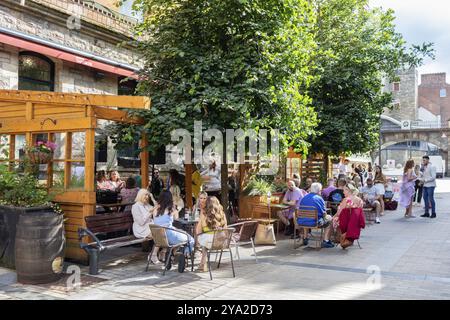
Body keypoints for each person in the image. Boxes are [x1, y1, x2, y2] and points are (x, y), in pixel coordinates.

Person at [153, 190, 195, 255]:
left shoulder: (155, 209)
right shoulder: (170, 209)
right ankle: (185, 255)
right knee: (191, 239)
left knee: (182, 232)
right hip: (170, 237)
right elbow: (176, 218)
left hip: (160, 238)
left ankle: (172, 253)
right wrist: (178, 209)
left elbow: (162, 224)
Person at [195, 196, 228, 272]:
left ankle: (203, 264)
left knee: (203, 239)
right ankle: (202, 264)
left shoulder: (204, 214)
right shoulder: (222, 214)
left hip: (210, 242)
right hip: (222, 242)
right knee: (206, 240)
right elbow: (226, 230)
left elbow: (198, 231)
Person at [298, 183, 334, 248]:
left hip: (302, 221)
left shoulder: (304, 197)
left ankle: (305, 238)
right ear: (319, 191)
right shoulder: (319, 198)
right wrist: (327, 216)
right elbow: (324, 214)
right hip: (314, 222)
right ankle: (326, 240)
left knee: (307, 217)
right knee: (330, 219)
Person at [332, 183, 365, 248]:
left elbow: (339, 213)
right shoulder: (359, 200)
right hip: (356, 223)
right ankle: (347, 238)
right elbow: (360, 212)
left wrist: (333, 217)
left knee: (332, 220)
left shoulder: (346, 200)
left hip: (345, 222)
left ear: (348, 190)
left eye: (344, 190)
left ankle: (338, 238)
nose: (343, 192)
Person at [131, 189, 158, 263]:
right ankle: (154, 254)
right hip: (140, 229)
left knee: (161, 232)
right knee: (159, 233)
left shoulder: (147, 205)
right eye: (145, 195)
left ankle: (155, 254)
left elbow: (157, 207)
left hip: (148, 227)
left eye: (148, 195)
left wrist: (152, 198)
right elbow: (141, 222)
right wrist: (150, 212)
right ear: (140, 195)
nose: (147, 197)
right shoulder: (135, 206)